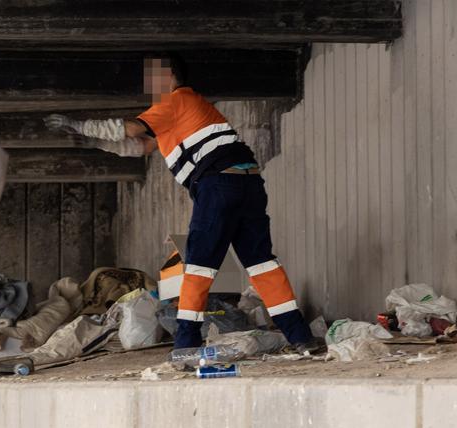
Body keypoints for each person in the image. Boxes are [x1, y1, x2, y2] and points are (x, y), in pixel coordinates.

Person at [46, 54, 315, 351]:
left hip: (218, 185)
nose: (148, 85)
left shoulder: (176, 100)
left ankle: (185, 344)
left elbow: (131, 130)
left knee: (199, 266)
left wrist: (79, 125)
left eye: (152, 78)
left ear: (169, 77)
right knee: (262, 264)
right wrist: (90, 141)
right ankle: (300, 337)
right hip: (248, 183)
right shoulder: (182, 113)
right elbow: (140, 147)